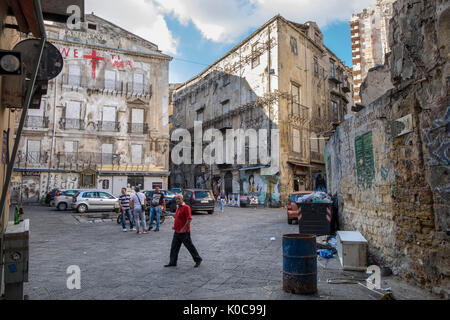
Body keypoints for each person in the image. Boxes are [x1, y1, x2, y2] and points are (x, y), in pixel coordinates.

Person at [164, 194, 202, 268]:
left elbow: (189, 219)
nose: (177, 200)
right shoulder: (178, 207)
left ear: (182, 199)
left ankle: (198, 259)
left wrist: (184, 228)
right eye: (176, 199)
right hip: (177, 231)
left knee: (190, 247)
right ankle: (172, 262)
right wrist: (174, 226)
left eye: (179, 199)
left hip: (184, 232)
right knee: (174, 247)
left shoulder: (186, 207)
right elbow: (178, 218)